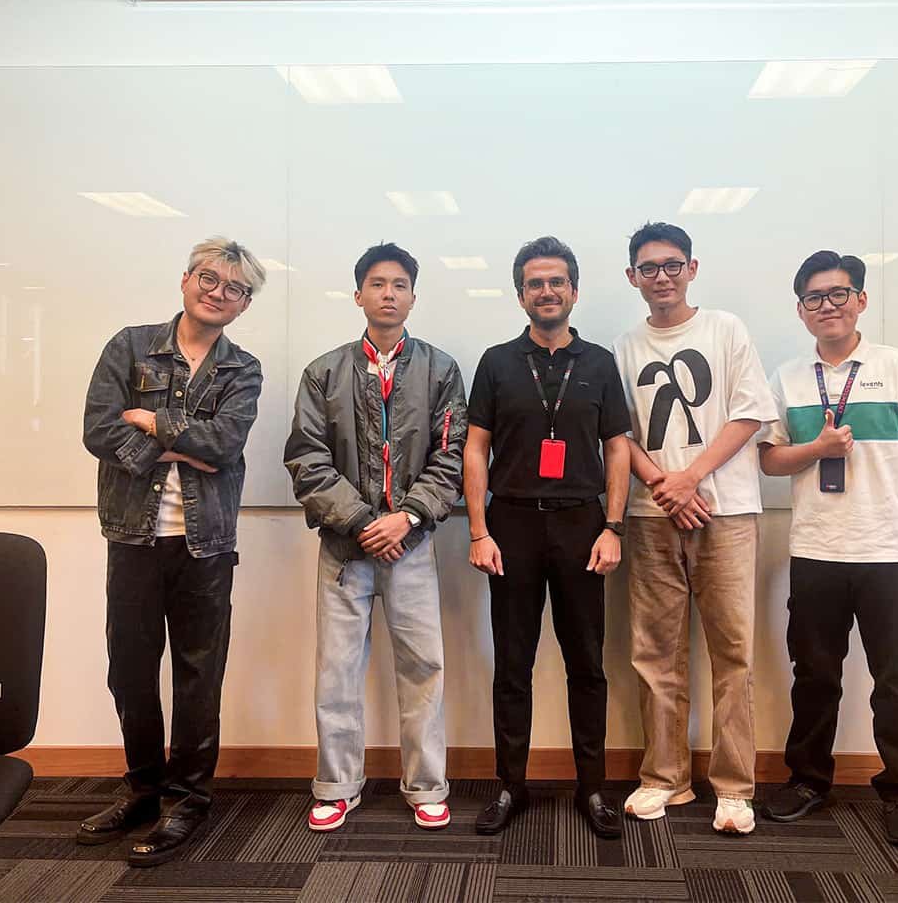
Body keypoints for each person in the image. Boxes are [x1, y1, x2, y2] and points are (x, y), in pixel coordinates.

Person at [758, 250, 898, 848]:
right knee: (814, 675)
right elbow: (769, 459)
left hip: (889, 553)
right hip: (817, 551)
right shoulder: (789, 376)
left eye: (839, 294)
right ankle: (808, 781)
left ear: (861, 300)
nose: (828, 306)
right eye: (815, 298)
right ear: (801, 310)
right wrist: (818, 450)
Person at [78, 237, 266, 866]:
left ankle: (188, 800)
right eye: (209, 279)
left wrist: (154, 423)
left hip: (205, 542)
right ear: (185, 280)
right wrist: (180, 446)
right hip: (132, 536)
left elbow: (225, 445)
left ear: (243, 305)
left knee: (197, 675)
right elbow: (99, 430)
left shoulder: (242, 368)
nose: (218, 293)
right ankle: (142, 788)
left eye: (234, 288)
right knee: (130, 670)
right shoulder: (129, 346)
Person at [284, 243, 467, 833]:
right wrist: (364, 522)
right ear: (358, 293)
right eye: (377, 283)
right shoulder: (323, 372)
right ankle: (337, 785)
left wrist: (407, 518)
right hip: (345, 546)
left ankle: (426, 785)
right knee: (337, 669)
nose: (388, 293)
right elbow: (307, 458)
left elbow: (453, 456)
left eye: (399, 285)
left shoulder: (441, 370)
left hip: (411, 544)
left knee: (424, 667)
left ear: (413, 296)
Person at [612, 222, 778, 834]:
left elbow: (750, 413)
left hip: (727, 513)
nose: (662, 276)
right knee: (655, 654)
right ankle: (664, 779)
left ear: (692, 268)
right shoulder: (624, 345)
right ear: (632, 277)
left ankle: (735, 788)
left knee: (733, 652)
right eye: (649, 267)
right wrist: (664, 484)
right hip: (652, 518)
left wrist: (692, 478)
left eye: (672, 264)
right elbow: (620, 434)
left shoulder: (726, 329)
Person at [464, 236, 631, 839]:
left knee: (587, 663)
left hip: (583, 525)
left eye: (556, 281)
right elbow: (475, 448)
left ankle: (594, 789)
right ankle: (510, 785)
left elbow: (617, 449)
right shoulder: (496, 362)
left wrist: (613, 526)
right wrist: (479, 529)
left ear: (574, 291)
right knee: (513, 663)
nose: (547, 291)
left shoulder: (600, 364)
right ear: (520, 296)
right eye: (535, 283)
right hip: (510, 525)